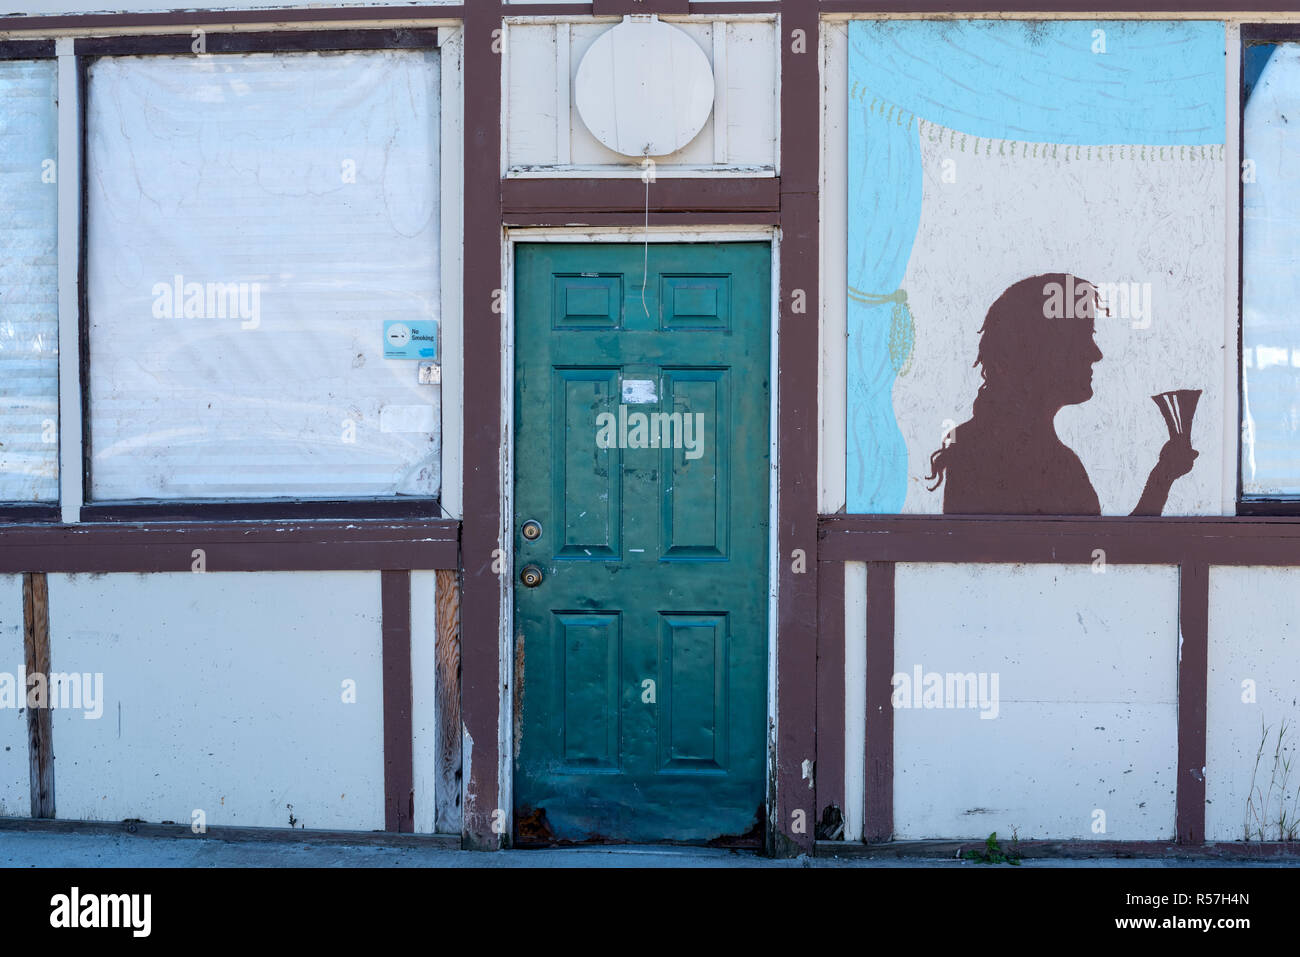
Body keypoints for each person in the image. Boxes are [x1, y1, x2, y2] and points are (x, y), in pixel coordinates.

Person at [925, 273, 1196, 516]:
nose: (1096, 353)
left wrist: (1163, 475)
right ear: (1043, 350)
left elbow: (1099, 554)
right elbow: (1104, 557)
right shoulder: (1052, 464)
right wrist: (1162, 478)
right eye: (1084, 337)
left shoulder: (973, 446)